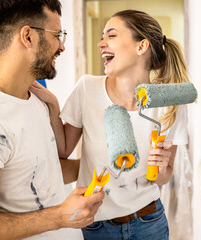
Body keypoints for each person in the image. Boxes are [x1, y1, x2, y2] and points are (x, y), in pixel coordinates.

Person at [30, 9, 190, 240]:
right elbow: (63, 150)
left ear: (141, 46)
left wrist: (162, 167)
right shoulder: (87, 88)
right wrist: (54, 106)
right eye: (103, 36)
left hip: (149, 222)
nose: (101, 43)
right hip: (96, 226)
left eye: (111, 35)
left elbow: (163, 178)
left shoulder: (170, 106)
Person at [0, 0, 104, 239]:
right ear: (27, 37)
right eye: (57, 35)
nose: (62, 46)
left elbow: (39, 170)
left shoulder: (35, 100)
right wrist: (59, 216)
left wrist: (101, 163)